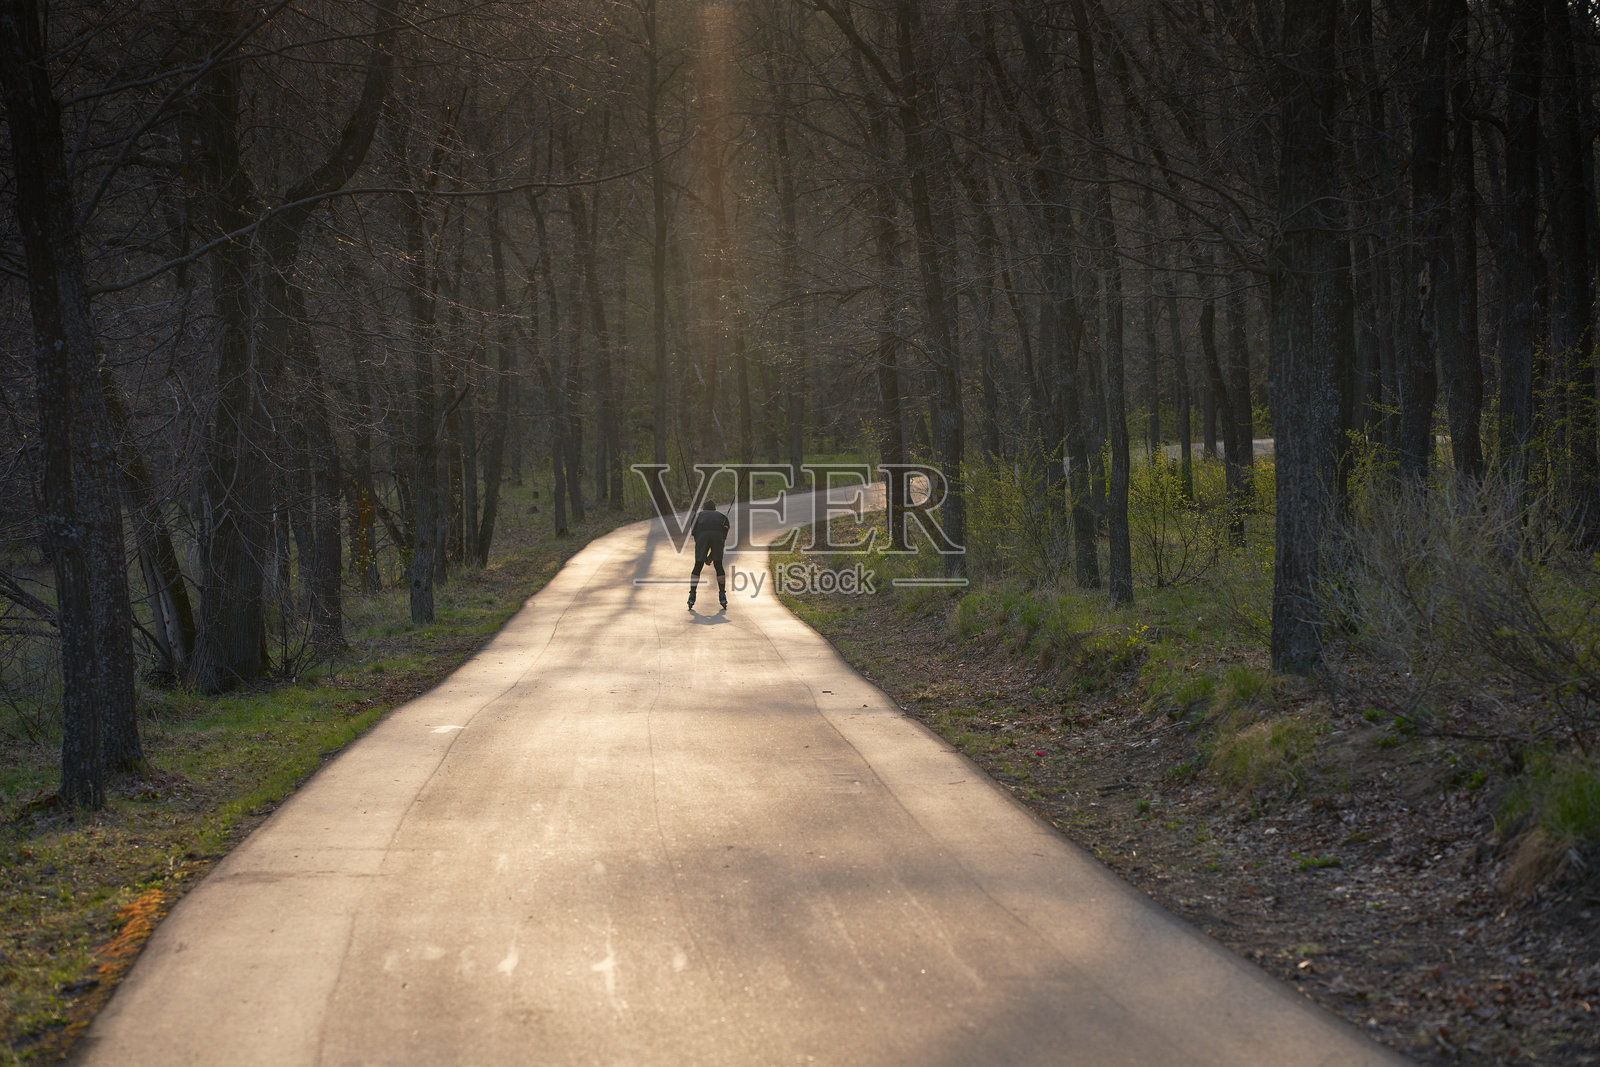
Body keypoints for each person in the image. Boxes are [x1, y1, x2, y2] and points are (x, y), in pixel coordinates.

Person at [688, 500, 730, 610]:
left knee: (698, 566)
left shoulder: (698, 516)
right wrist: (712, 557)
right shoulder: (722, 517)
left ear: (704, 508)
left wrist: (703, 556)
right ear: (714, 508)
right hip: (717, 536)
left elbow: (694, 533)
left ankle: (692, 594)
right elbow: (723, 536)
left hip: (702, 537)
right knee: (718, 566)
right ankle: (722, 594)